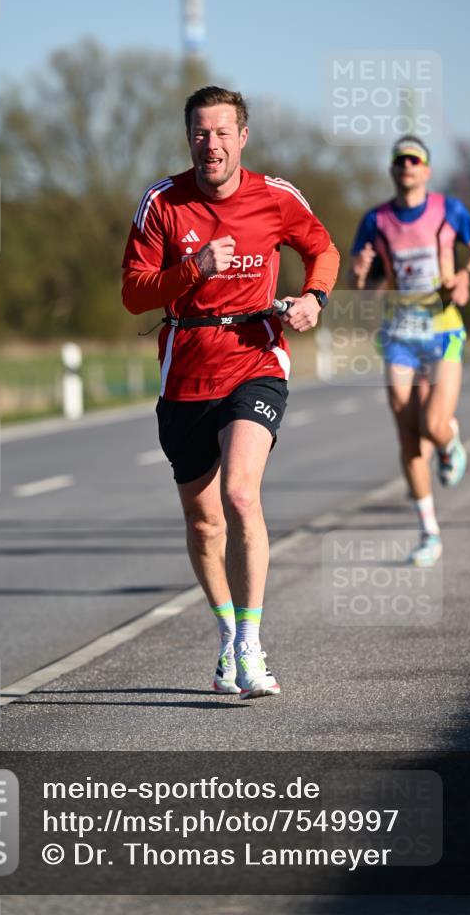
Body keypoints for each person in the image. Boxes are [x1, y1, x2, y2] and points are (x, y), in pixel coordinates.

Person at [122, 86, 339, 698]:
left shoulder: (274, 196)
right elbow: (134, 293)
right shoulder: (162, 202)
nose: (210, 145)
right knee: (203, 523)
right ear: (187, 136)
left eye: (221, 133)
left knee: (241, 494)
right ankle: (225, 636)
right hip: (186, 371)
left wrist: (313, 299)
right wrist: (195, 270)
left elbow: (322, 249)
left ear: (243, 137)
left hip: (255, 357)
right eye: (199, 133)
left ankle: (251, 642)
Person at [349, 135, 470, 567]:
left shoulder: (449, 210)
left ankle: (450, 444)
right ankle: (429, 533)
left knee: (433, 424)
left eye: (414, 160)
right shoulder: (375, 220)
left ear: (426, 170)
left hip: (443, 328)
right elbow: (364, 291)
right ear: (392, 170)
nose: (406, 165)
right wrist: (359, 276)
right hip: (399, 333)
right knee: (408, 434)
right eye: (399, 160)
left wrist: (465, 275)